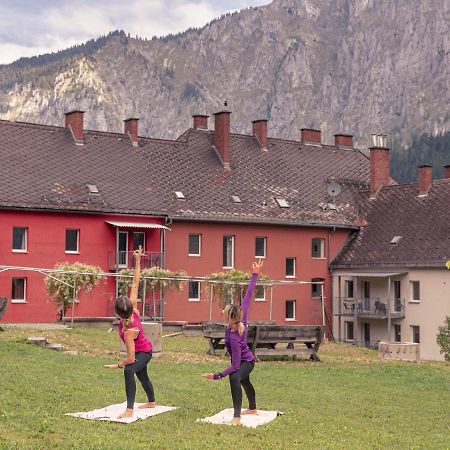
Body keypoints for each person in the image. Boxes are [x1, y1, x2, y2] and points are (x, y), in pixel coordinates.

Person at [203, 259, 263, 425]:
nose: (224, 309)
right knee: (244, 380)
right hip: (244, 360)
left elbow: (236, 366)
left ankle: (237, 417)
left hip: (246, 361)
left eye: (226, 310)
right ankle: (252, 408)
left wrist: (218, 375)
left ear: (229, 317)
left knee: (235, 378)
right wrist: (255, 274)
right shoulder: (240, 316)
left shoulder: (235, 337)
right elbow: (249, 294)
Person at [104, 245, 155, 419]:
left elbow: (131, 358)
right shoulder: (133, 309)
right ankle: (151, 402)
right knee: (141, 375)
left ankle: (129, 409)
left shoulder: (128, 332)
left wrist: (119, 364)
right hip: (143, 349)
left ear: (118, 313)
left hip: (144, 351)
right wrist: (138, 260)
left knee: (129, 370)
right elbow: (135, 282)